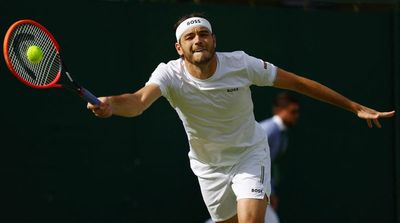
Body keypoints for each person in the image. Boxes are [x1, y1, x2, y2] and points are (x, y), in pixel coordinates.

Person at [87, 13, 395, 223]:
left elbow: (299, 83)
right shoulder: (168, 74)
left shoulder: (242, 64)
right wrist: (112, 104)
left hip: (250, 154)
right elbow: (138, 101)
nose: (198, 40)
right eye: (190, 36)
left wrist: (353, 105)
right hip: (209, 168)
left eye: (204, 34)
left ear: (214, 40)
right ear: (179, 47)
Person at [259, 92, 300, 223]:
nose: (296, 116)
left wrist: (271, 191)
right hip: (250, 184)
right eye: (293, 111)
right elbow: (253, 160)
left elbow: (269, 164)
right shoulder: (268, 130)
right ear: (280, 110)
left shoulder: (283, 135)